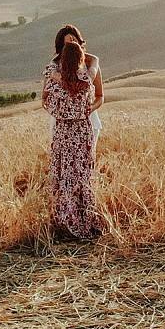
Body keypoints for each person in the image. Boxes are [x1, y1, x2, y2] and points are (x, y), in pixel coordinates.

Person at [41, 37, 105, 240]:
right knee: (83, 174)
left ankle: (64, 221)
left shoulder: (52, 79)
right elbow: (94, 79)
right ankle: (84, 219)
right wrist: (86, 110)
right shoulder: (86, 81)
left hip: (62, 132)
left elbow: (45, 102)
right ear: (80, 59)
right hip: (82, 130)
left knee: (63, 174)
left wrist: (59, 110)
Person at [52, 25, 103, 151]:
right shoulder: (54, 68)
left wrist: (90, 108)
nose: (71, 47)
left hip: (88, 121)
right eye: (67, 45)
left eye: (74, 42)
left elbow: (100, 96)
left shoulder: (91, 65)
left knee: (86, 165)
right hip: (62, 124)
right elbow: (46, 97)